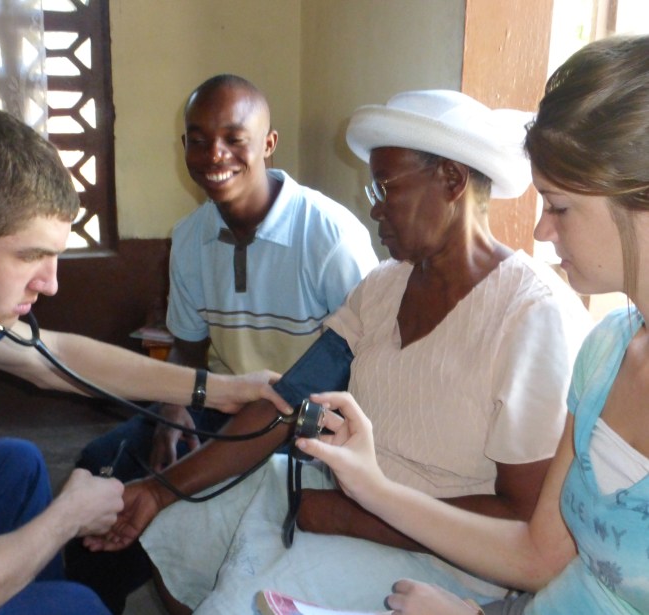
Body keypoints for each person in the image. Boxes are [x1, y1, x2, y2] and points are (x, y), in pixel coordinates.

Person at [90, 90, 593, 614]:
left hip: (446, 555)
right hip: (340, 490)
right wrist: (160, 490)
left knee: (244, 604)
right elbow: (286, 403)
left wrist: (354, 515)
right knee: (180, 525)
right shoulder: (383, 287)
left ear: (451, 180)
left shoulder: (532, 315)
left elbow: (522, 519)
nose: (372, 205)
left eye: (384, 187)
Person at [0, 105, 290, 615]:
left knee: (17, 467)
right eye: (30, 257)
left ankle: (17, 592)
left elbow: (52, 358)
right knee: (75, 607)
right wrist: (67, 518)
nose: (50, 283)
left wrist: (225, 389)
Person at [296, 35, 649, 615]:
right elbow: (539, 554)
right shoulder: (608, 352)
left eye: (559, 207)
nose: (540, 233)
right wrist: (374, 489)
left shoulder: (535, 313)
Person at [67, 75, 376, 612]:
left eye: (234, 137)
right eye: (197, 138)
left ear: (269, 143)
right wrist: (174, 409)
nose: (215, 154)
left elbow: (365, 365)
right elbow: (188, 351)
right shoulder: (190, 238)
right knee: (103, 468)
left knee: (187, 499)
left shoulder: (327, 235)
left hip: (306, 423)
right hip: (222, 405)